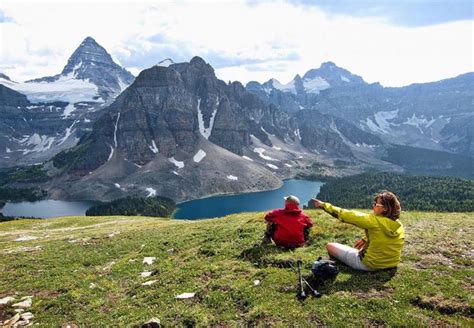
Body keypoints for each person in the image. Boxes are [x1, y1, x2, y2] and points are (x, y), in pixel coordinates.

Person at [310, 191, 405, 271]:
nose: (373, 206)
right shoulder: (398, 225)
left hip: (370, 265)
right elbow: (382, 235)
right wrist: (365, 239)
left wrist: (323, 205)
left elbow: (347, 215)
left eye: (376, 204)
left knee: (330, 246)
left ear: (385, 208)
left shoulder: (373, 221)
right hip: (392, 263)